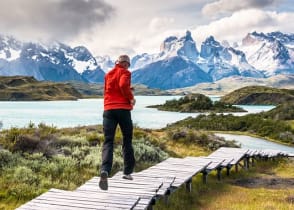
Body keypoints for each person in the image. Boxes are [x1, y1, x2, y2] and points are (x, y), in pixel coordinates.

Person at [99, 54, 136, 190]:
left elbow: (108, 91)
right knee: (127, 139)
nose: (128, 66)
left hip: (108, 110)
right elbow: (122, 85)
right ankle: (127, 172)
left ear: (117, 62)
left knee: (108, 141)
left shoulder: (108, 74)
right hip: (122, 110)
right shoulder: (125, 72)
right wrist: (131, 98)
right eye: (128, 64)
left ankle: (105, 170)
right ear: (126, 64)